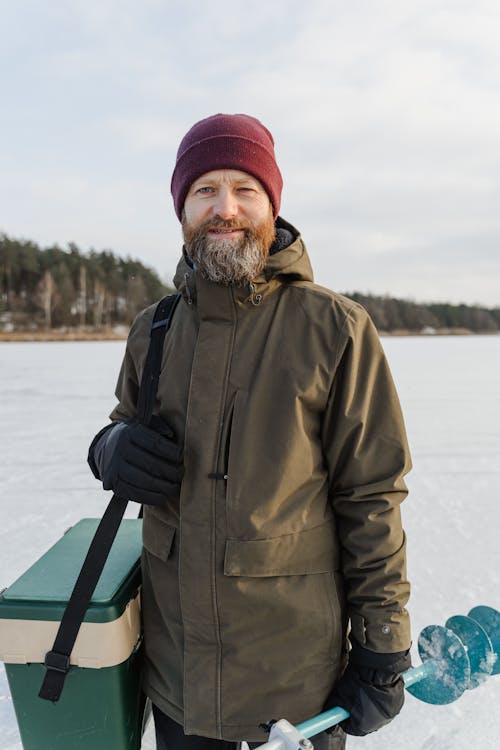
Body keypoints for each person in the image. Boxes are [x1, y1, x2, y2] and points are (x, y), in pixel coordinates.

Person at [88, 113, 412, 750]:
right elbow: (120, 427)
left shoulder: (336, 329)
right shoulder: (153, 329)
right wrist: (110, 451)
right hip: (176, 676)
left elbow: (372, 497)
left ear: (272, 204)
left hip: (295, 688)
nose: (224, 208)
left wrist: (382, 646)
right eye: (205, 189)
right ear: (183, 207)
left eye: (245, 189)